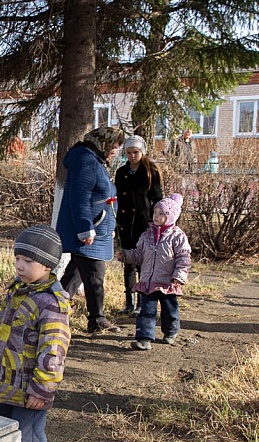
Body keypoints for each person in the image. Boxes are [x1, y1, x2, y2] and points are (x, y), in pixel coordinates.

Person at [0, 225, 71, 442]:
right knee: (1, 434)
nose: (20, 265)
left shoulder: (51, 303)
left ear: (47, 265)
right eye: (18, 258)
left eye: (29, 261)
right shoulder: (20, 291)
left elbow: (54, 350)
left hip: (31, 392)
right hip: (9, 384)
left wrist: (42, 390)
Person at [56, 125, 126, 334]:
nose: (114, 152)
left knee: (73, 276)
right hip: (88, 234)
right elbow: (80, 198)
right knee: (95, 275)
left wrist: (109, 225)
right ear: (102, 143)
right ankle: (97, 320)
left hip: (96, 230)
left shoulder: (93, 159)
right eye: (113, 148)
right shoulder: (85, 161)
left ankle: (51, 311)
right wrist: (85, 229)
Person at [118, 194, 192, 350]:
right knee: (146, 311)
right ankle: (144, 338)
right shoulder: (146, 235)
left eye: (161, 213)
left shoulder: (178, 237)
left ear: (170, 216)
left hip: (168, 282)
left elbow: (183, 259)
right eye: (155, 212)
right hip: (148, 282)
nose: (156, 216)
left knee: (170, 310)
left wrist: (179, 276)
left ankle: (170, 332)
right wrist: (126, 255)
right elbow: (139, 255)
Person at [114, 135, 164, 316]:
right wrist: (115, 223)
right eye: (128, 152)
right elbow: (118, 198)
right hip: (125, 223)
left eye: (135, 152)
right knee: (128, 263)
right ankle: (129, 302)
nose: (132, 156)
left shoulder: (150, 171)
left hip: (144, 224)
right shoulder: (121, 172)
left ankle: (143, 303)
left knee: (144, 264)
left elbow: (157, 198)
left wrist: (157, 222)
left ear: (142, 151)